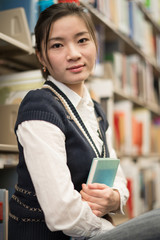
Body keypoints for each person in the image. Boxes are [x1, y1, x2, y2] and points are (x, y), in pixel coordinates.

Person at [8, 2, 129, 239]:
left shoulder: (95, 109)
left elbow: (119, 178)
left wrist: (113, 198)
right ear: (41, 57)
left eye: (82, 40)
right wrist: (116, 232)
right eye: (57, 45)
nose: (73, 53)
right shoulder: (39, 106)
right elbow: (63, 212)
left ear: (96, 45)